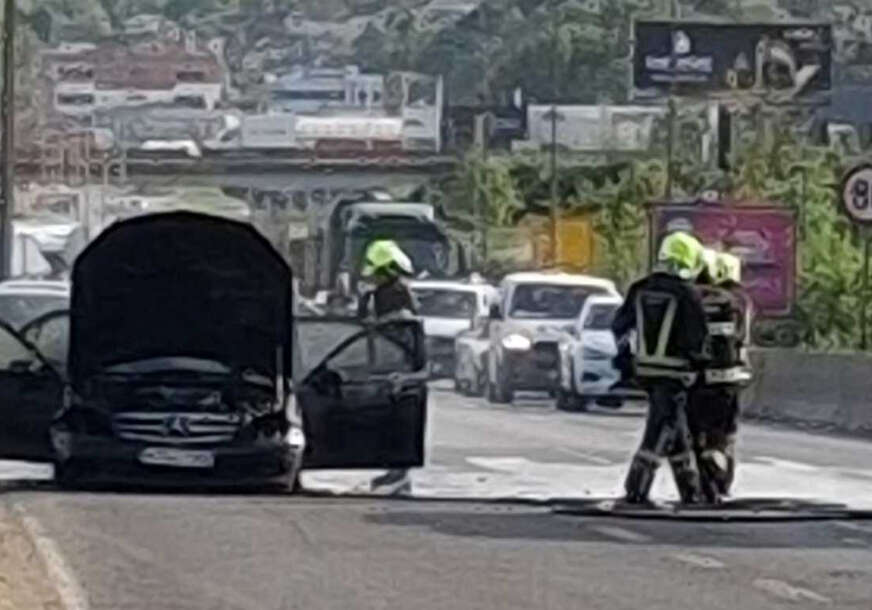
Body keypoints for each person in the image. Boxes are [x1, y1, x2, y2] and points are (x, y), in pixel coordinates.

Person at [612, 231, 710, 505]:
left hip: (645, 371)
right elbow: (697, 339)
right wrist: (700, 368)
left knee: (676, 429)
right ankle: (636, 488)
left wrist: (626, 359)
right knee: (661, 427)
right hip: (675, 373)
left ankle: (690, 490)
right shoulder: (687, 295)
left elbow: (619, 326)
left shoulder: (640, 289)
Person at [689, 250, 753, 502]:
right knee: (725, 436)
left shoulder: (692, 298)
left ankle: (704, 483)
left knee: (697, 434)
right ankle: (722, 481)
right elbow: (741, 337)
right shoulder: (738, 301)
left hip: (699, 378)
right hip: (730, 377)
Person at [357, 240, 418, 495]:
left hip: (399, 366)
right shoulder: (380, 293)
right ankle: (396, 470)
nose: (374, 278)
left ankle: (399, 473)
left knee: (399, 420)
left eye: (378, 273)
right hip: (387, 362)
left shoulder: (397, 293)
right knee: (389, 421)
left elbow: (403, 325)